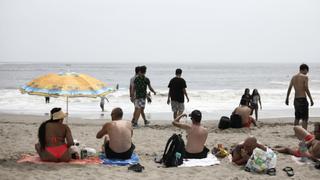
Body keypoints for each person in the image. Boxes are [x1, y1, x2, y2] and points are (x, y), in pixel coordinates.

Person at [285, 63, 314, 129]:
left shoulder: (293, 77)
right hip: (303, 99)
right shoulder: (305, 77)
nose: (307, 73)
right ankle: (304, 133)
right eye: (307, 71)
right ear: (305, 69)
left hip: (296, 100)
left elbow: (289, 88)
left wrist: (287, 98)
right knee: (305, 118)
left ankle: (297, 133)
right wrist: (311, 99)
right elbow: (306, 88)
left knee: (297, 117)